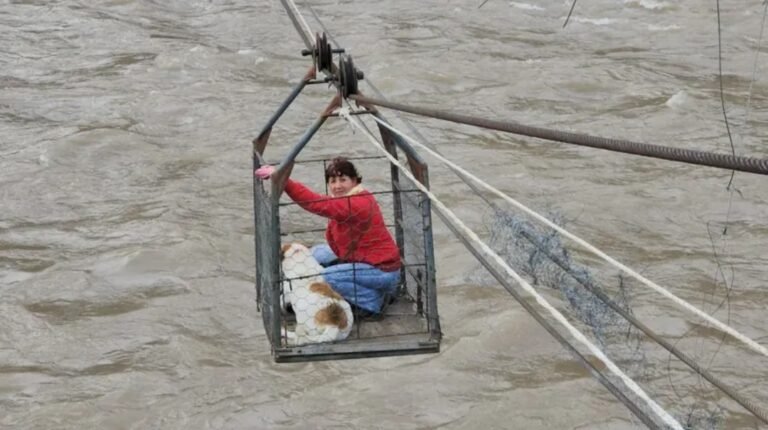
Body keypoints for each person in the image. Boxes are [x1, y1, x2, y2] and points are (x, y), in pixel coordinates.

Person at [255, 157, 401, 317]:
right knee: (313, 254)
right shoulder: (344, 199)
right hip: (361, 258)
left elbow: (314, 203)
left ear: (354, 181)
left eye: (343, 180)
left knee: (325, 277)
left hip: (382, 270)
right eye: (333, 181)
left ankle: (373, 301)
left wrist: (283, 180)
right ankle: (293, 291)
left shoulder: (357, 203)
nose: (337, 186)